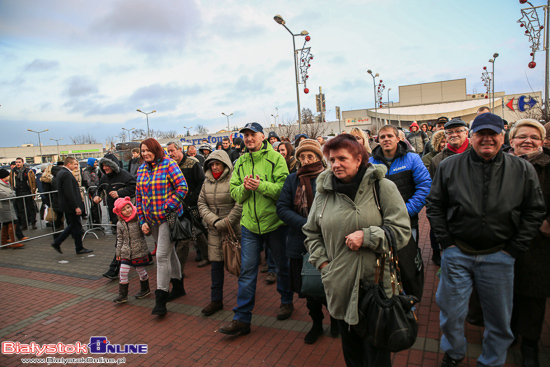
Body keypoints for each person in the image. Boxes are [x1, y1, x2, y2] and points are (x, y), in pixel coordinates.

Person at [426, 113, 546, 367]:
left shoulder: (522, 169)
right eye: (481, 133)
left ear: (503, 137)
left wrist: (514, 249)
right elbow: (435, 205)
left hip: (499, 255)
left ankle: (492, 360)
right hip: (457, 253)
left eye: (493, 133)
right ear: (472, 137)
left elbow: (534, 211)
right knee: (451, 313)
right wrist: (446, 243)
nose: (487, 139)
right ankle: (454, 352)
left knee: (499, 318)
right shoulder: (449, 166)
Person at [302, 134, 411, 367]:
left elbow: (402, 230)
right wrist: (324, 266)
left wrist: (369, 236)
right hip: (339, 286)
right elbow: (311, 233)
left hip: (376, 288)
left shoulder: (383, 187)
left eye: (342, 158)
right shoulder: (323, 192)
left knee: (377, 356)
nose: (335, 165)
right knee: (352, 356)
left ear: (359, 159)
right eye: (331, 160)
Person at [218, 122, 292, 336]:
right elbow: (234, 193)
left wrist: (261, 186)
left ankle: (286, 301)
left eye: (253, 134)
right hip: (250, 225)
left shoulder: (276, 158)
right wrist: (245, 188)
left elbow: (284, 190)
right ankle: (242, 318)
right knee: (247, 271)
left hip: (275, 224)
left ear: (262, 137)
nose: (249, 138)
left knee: (282, 266)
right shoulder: (240, 162)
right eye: (246, 135)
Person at [276, 139, 338, 344]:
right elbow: (282, 208)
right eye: (302, 157)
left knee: (330, 284)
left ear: (319, 157)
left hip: (327, 240)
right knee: (308, 287)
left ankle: (336, 320)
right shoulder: (292, 180)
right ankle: (317, 323)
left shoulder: (329, 177)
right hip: (300, 241)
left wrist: (321, 225)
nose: (305, 160)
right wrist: (306, 224)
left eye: (310, 156)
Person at [369, 125, 431, 301]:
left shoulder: (412, 159)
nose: (386, 139)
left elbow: (424, 187)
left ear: (398, 139)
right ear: (378, 140)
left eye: (390, 136)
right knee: (384, 265)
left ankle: (408, 302)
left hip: (407, 223)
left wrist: (405, 211)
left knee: (407, 264)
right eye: (382, 137)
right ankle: (389, 301)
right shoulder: (371, 162)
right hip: (380, 224)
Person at [508, 119, 550, 367]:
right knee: (507, 293)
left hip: (539, 245)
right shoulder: (501, 163)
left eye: (534, 137)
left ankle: (531, 345)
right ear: (511, 140)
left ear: (542, 141)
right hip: (504, 240)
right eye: (521, 136)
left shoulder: (548, 166)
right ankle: (510, 333)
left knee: (533, 297)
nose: (527, 141)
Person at [136, 138, 188, 316]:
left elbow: (182, 187)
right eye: (142, 151)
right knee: (169, 252)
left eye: (148, 150)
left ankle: (161, 297)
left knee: (161, 256)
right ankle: (178, 285)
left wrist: (168, 206)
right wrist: (142, 220)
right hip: (151, 220)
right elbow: (139, 196)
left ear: (156, 149)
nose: (145, 153)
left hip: (168, 218)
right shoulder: (142, 169)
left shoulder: (168, 164)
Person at [197, 150, 242, 316]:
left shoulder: (234, 179)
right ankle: (216, 300)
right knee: (216, 266)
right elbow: (201, 204)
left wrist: (227, 221)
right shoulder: (207, 182)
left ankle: (245, 296)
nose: (215, 167)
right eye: (212, 164)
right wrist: (215, 221)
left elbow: (240, 203)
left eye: (218, 163)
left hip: (233, 229)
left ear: (225, 164)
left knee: (239, 263)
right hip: (214, 230)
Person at [166, 141, 210, 272]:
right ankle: (206, 256)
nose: (170, 154)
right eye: (168, 151)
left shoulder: (192, 163)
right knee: (194, 232)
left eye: (172, 150)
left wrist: (192, 198)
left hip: (192, 205)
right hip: (178, 206)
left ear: (180, 149)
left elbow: (202, 182)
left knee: (192, 233)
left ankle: (178, 271)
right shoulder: (170, 166)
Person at [94, 157, 137, 280]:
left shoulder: (125, 175)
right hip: (114, 214)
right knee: (132, 239)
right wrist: (97, 196)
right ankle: (145, 258)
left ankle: (114, 269)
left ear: (113, 165)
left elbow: (134, 188)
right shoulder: (105, 177)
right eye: (103, 166)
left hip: (128, 215)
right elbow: (99, 188)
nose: (105, 168)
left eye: (107, 165)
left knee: (122, 241)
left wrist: (120, 193)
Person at [50, 157, 93, 255]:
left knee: (74, 225)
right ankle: (60, 242)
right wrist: (76, 206)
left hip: (67, 205)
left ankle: (77, 246)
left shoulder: (62, 172)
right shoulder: (66, 174)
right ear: (69, 164)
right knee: (74, 225)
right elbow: (69, 192)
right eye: (75, 164)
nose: (76, 166)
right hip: (70, 206)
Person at [112, 197, 151, 303]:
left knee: (140, 271)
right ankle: (122, 295)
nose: (127, 210)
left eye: (128, 207)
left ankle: (145, 289)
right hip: (126, 252)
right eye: (124, 209)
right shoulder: (120, 224)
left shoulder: (138, 219)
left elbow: (147, 233)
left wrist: (147, 230)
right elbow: (119, 239)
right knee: (123, 272)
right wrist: (118, 252)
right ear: (120, 213)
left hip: (138, 250)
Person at [9, 158, 37, 230]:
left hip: (27, 191)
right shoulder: (13, 171)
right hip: (18, 192)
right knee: (21, 209)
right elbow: (11, 181)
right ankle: (24, 224)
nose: (17, 164)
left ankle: (33, 223)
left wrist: (33, 191)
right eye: (16, 162)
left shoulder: (28, 171)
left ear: (22, 163)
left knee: (31, 208)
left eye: (19, 162)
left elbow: (33, 181)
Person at [0, 169, 25, 249]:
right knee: (11, 222)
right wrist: (12, 194)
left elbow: (12, 192)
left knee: (7, 223)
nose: (9, 177)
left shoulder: (6, 184)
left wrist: (11, 194)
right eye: (7, 175)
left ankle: (4, 242)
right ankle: (13, 241)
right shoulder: (1, 185)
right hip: (3, 207)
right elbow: (4, 195)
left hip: (8, 206)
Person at [82, 158, 102, 227]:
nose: (96, 164)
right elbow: (88, 182)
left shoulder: (94, 170)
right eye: (95, 162)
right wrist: (94, 189)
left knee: (96, 207)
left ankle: (95, 222)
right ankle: (93, 223)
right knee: (94, 207)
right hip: (92, 192)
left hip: (95, 191)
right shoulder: (86, 171)